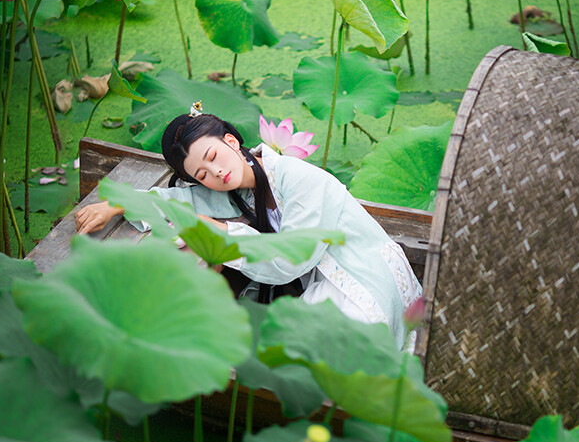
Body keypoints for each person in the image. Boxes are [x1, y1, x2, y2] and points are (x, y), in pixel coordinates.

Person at [74, 103, 423, 350]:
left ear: (230, 141)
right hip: (322, 282)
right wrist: (120, 202)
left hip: (363, 278)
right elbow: (183, 203)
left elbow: (291, 260)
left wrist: (221, 233)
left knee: (299, 354)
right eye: (201, 175)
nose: (215, 174)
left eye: (212, 158)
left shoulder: (297, 177)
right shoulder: (236, 187)